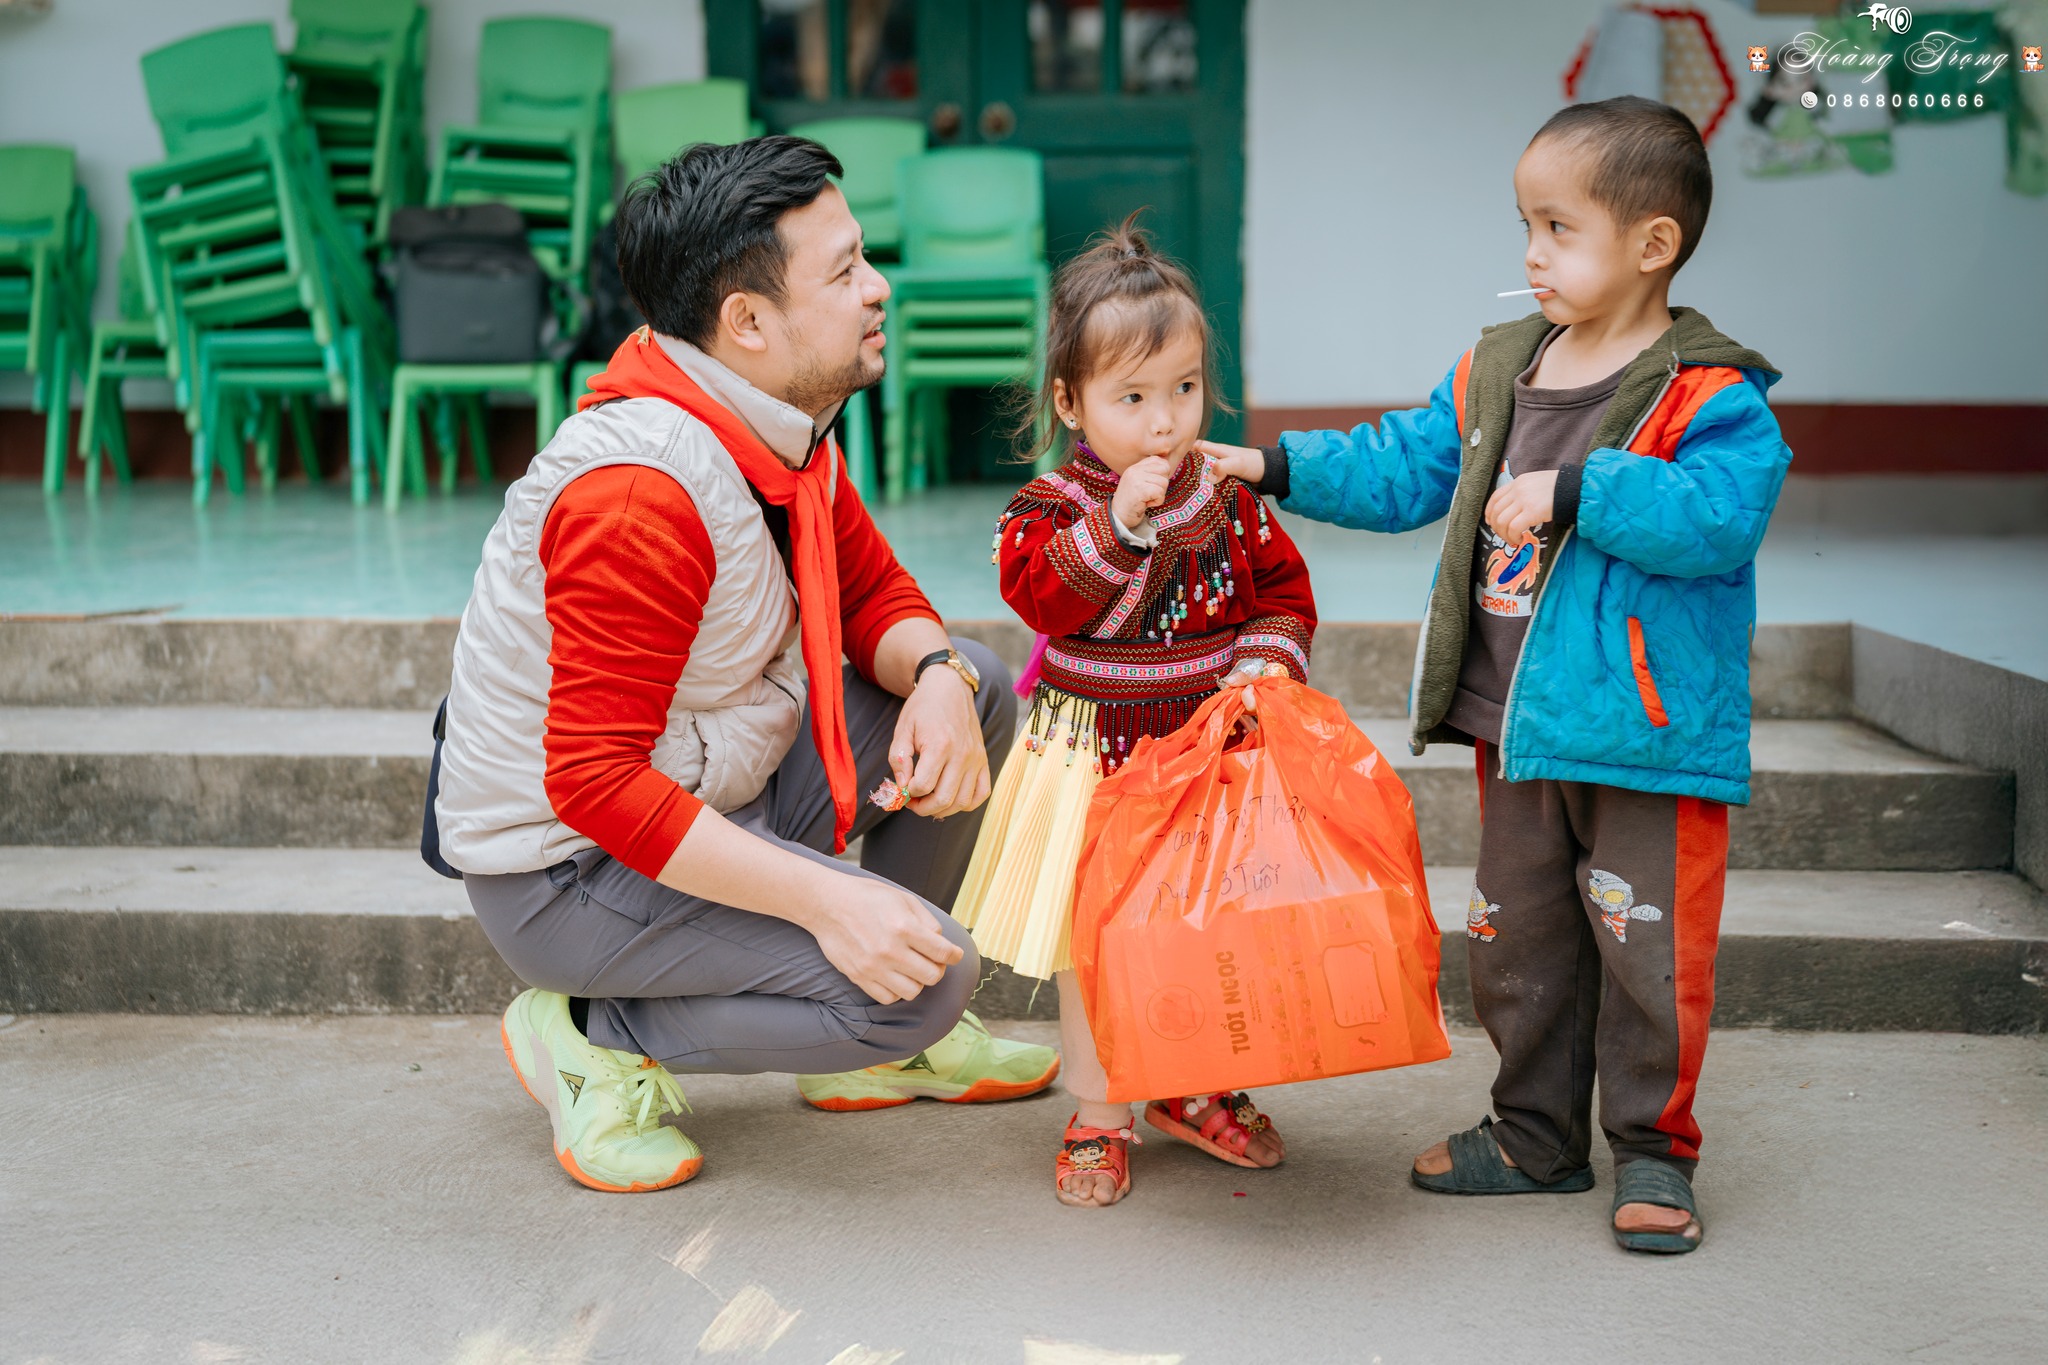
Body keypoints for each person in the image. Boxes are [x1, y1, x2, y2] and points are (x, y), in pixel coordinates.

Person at [1199, 96, 1792, 1253]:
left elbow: (1717, 522)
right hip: (1512, 726)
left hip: (1643, 739)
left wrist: (1579, 491)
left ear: (1650, 244)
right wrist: (1267, 466)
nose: (1529, 254)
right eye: (1523, 224)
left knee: (1645, 957)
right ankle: (1532, 1138)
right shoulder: (1500, 368)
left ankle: (1654, 1156)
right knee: (1513, 943)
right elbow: (1400, 465)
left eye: (1556, 228)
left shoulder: (1710, 395)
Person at [430, 136, 1060, 1194]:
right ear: (748, 323)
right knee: (919, 981)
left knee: (981, 686)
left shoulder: (776, 419)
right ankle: (588, 1031)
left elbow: (874, 596)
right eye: (846, 270)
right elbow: (590, 784)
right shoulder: (639, 495)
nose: (878, 289)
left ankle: (873, 1044)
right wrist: (828, 904)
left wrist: (941, 679)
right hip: (569, 872)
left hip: (719, 776)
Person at [955, 218, 1318, 1208]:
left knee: (1202, 926)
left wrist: (1260, 668)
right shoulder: (1043, 508)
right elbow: (1041, 597)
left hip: (1201, 753)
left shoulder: (1227, 498)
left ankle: (1191, 1088)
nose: (1164, 424)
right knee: (1097, 938)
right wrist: (1116, 524)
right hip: (1091, 758)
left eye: (1184, 391)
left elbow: (1282, 595)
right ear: (1070, 401)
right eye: (1131, 398)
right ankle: (1099, 1108)